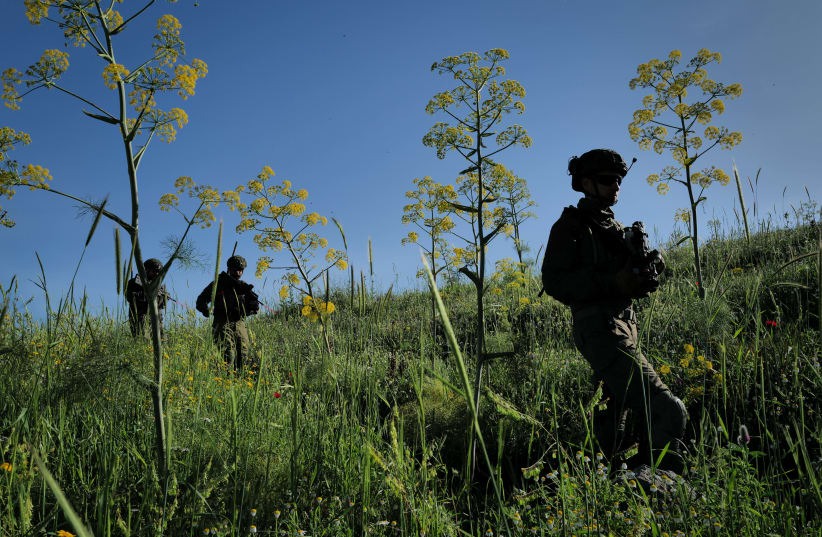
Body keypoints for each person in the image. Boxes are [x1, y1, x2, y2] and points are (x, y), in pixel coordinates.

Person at [540, 148, 687, 473]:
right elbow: (554, 281)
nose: (615, 185)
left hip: (624, 328)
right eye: (608, 180)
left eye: (619, 180)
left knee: (613, 429)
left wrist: (647, 268)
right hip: (601, 331)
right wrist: (614, 282)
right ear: (586, 183)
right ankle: (665, 490)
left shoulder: (616, 229)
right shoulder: (571, 227)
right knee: (668, 410)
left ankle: (617, 492)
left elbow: (629, 281)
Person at [196, 255, 260, 370]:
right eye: (236, 269)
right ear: (230, 269)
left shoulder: (243, 286)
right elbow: (201, 299)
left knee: (243, 354)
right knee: (228, 353)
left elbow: (253, 304)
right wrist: (205, 309)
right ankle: (226, 380)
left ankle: (241, 381)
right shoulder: (219, 283)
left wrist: (252, 307)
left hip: (239, 323)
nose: (239, 273)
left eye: (241, 270)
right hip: (222, 322)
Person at [125, 258, 168, 337]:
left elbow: (162, 304)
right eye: (154, 271)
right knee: (141, 343)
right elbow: (130, 297)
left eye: (158, 272)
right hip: (139, 321)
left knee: (163, 342)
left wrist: (162, 297)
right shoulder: (133, 283)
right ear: (146, 270)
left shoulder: (159, 287)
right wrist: (148, 294)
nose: (156, 274)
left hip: (156, 322)